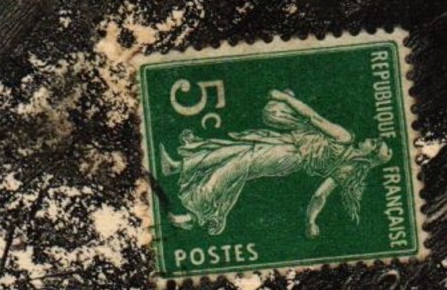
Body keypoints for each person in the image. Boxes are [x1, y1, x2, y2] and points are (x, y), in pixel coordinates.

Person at [159, 88, 392, 238]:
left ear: (369, 155)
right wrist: (311, 222)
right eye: (375, 140)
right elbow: (320, 196)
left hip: (289, 155)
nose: (370, 140)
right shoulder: (347, 170)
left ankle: (193, 215)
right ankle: (178, 166)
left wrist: (286, 98)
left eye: (374, 144)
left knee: (237, 165)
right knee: (235, 148)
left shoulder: (345, 138)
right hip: (287, 142)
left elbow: (314, 118)